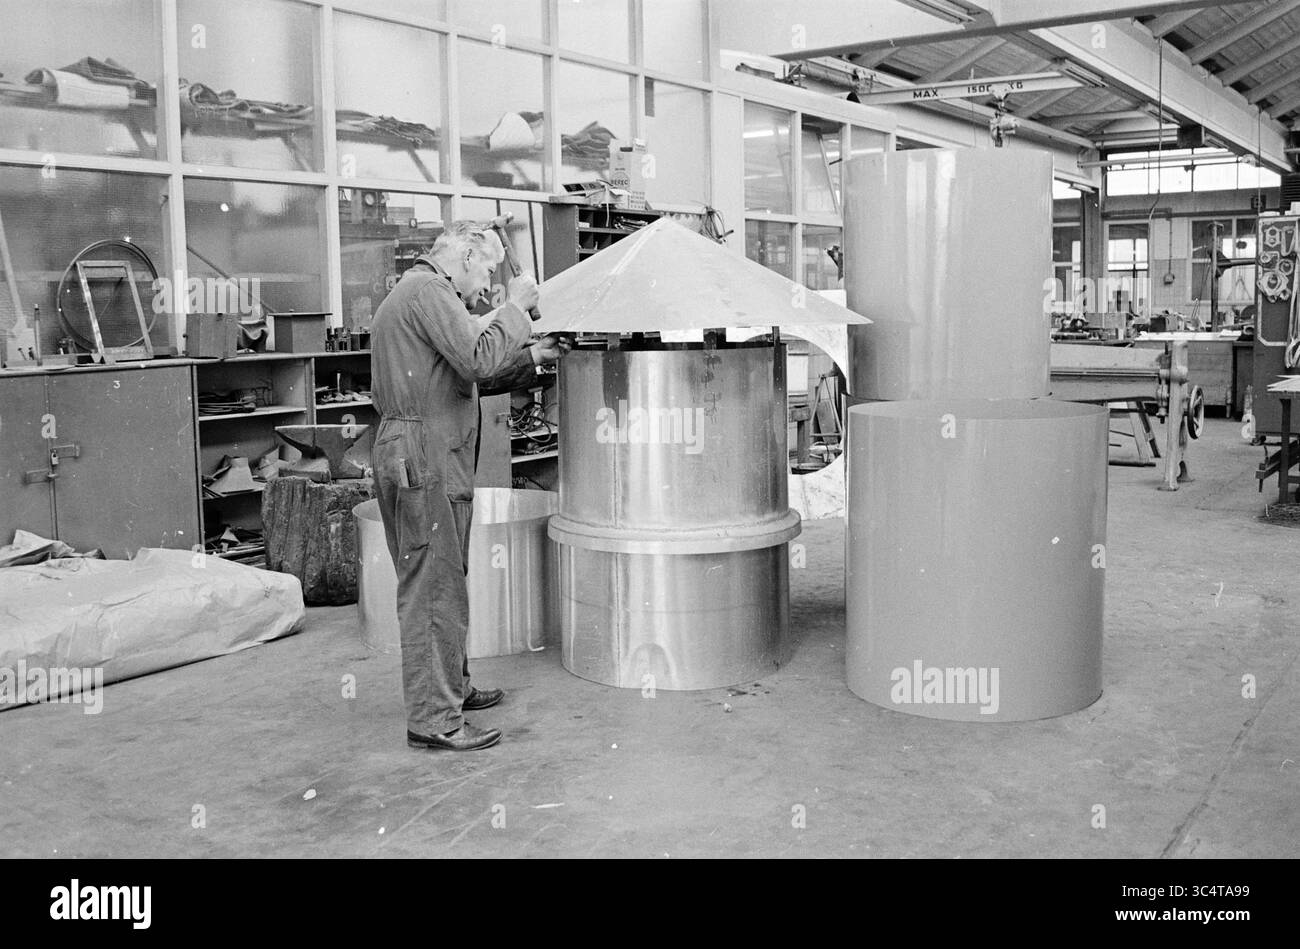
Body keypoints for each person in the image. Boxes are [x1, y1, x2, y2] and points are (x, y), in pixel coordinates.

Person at [370, 220, 569, 752]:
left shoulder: (422, 294)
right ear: (462, 254)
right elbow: (476, 356)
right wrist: (515, 309)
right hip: (425, 454)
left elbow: (465, 372)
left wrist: (531, 355)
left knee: (444, 577)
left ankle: (451, 688)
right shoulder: (429, 290)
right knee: (433, 586)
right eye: (486, 268)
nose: (488, 283)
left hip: (429, 450)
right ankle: (435, 719)